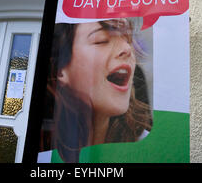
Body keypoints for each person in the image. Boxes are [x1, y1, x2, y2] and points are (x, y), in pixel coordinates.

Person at [40, 18, 152, 163]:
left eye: (128, 39)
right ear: (60, 69)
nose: (127, 49)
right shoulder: (43, 149)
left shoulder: (144, 147)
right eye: (101, 40)